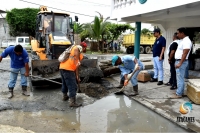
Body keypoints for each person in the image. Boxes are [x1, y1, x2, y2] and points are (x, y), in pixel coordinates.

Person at [171, 27, 192, 99]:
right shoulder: (183, 40)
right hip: (180, 61)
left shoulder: (187, 41)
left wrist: (180, 63)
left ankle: (179, 94)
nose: (177, 35)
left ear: (182, 33)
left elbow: (185, 53)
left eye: (178, 33)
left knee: (180, 78)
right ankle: (180, 91)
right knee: (180, 78)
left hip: (181, 61)